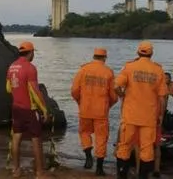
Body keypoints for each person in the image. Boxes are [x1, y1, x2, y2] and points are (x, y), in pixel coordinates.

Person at [115, 40, 167, 179]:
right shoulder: (158, 70)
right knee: (147, 149)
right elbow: (162, 98)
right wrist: (161, 116)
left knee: (124, 146)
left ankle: (121, 175)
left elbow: (116, 86)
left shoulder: (129, 67)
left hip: (130, 115)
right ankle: (143, 176)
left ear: (138, 52)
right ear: (152, 54)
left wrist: (122, 96)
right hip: (149, 117)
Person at [6, 41, 50, 178]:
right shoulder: (30, 68)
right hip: (29, 109)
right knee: (36, 139)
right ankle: (39, 172)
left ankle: (16, 170)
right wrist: (44, 110)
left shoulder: (12, 66)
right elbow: (35, 91)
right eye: (33, 53)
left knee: (16, 137)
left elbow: (8, 88)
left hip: (16, 107)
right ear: (30, 53)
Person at [71, 47, 118, 176]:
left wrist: (80, 102)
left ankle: (88, 156)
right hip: (101, 111)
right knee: (101, 137)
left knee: (84, 132)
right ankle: (99, 168)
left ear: (94, 56)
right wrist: (109, 105)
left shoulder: (83, 70)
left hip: (85, 109)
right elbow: (114, 96)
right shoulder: (108, 72)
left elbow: (74, 90)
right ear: (104, 58)